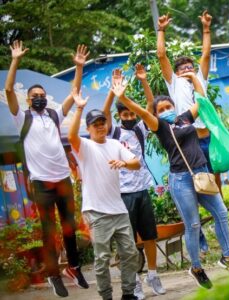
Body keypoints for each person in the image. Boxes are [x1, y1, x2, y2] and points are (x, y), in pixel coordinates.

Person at [110, 76, 229, 290]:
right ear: (156, 114)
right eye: (162, 108)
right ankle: (196, 268)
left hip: (201, 173)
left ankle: (228, 257)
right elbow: (142, 112)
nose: (166, 110)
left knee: (222, 213)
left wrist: (195, 78)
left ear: (174, 107)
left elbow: (202, 100)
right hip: (181, 179)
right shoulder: (158, 126)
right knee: (193, 224)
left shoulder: (185, 118)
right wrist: (123, 97)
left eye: (169, 106)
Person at [5, 40, 89, 297]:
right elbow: (8, 89)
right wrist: (16, 60)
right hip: (42, 182)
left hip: (62, 178)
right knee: (48, 230)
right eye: (36, 97)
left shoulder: (54, 115)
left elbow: (74, 92)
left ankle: (73, 267)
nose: (40, 99)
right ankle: (54, 275)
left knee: (69, 226)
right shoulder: (23, 118)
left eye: (42, 96)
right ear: (28, 100)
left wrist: (78, 67)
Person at [68, 91, 140, 300]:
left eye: (102, 122)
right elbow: (72, 136)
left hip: (118, 210)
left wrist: (124, 163)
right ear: (88, 128)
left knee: (130, 253)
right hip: (97, 212)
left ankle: (128, 294)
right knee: (102, 258)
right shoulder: (85, 146)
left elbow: (136, 163)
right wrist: (79, 108)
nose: (100, 126)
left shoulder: (115, 145)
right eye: (95, 124)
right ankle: (106, 297)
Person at [102, 65, 165, 299]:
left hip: (142, 190)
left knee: (150, 236)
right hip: (124, 194)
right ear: (120, 116)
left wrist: (144, 81)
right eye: (125, 114)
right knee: (128, 241)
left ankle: (153, 274)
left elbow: (150, 107)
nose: (129, 117)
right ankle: (135, 281)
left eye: (131, 114)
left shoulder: (140, 130)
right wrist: (114, 89)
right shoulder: (113, 133)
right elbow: (105, 112)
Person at [156, 11, 213, 255]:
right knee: (189, 195)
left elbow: (207, 54)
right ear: (177, 74)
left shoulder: (200, 79)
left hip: (206, 140)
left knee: (210, 189)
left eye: (191, 67)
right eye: (184, 68)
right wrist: (161, 31)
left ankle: (218, 236)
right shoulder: (175, 83)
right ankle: (198, 237)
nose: (188, 69)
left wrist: (206, 28)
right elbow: (161, 55)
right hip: (185, 143)